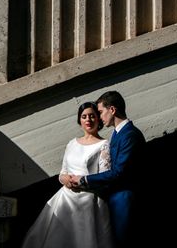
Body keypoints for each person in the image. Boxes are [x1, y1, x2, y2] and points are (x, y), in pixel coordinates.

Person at [21, 102, 113, 248]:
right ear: (79, 121)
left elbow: (104, 177)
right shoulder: (72, 143)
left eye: (92, 116)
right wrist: (64, 179)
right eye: (84, 117)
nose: (88, 120)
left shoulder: (104, 145)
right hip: (65, 197)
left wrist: (82, 183)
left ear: (98, 119)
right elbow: (63, 172)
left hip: (88, 200)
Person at [71, 91, 145, 248]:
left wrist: (84, 180)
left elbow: (118, 172)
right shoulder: (117, 133)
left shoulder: (130, 135)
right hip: (114, 198)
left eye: (100, 112)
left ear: (112, 110)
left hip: (125, 200)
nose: (99, 117)